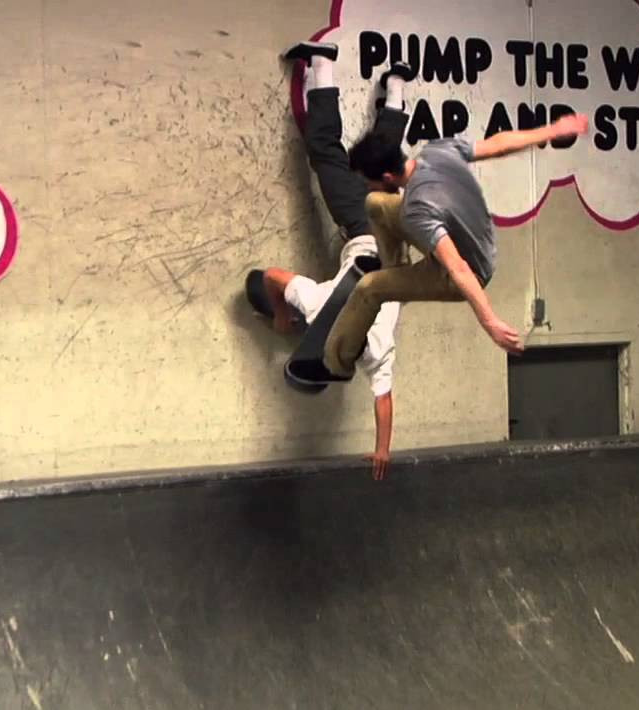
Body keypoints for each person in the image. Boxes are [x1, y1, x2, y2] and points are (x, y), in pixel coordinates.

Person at [319, 92, 590, 380]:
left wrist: (490, 322)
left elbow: (458, 267)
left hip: (467, 273)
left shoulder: (417, 211)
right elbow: (497, 145)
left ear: (387, 177)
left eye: (367, 179)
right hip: (475, 238)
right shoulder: (436, 151)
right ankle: (395, 270)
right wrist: (553, 130)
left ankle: (336, 363)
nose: (365, 184)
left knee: (368, 288)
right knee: (376, 204)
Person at [245, 41, 416, 480]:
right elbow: (271, 277)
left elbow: (384, 402)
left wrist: (383, 452)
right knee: (325, 152)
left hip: (402, 240)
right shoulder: (319, 306)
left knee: (378, 169)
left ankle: (396, 88)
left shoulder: (377, 353)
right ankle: (320, 63)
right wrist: (283, 313)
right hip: (363, 227)